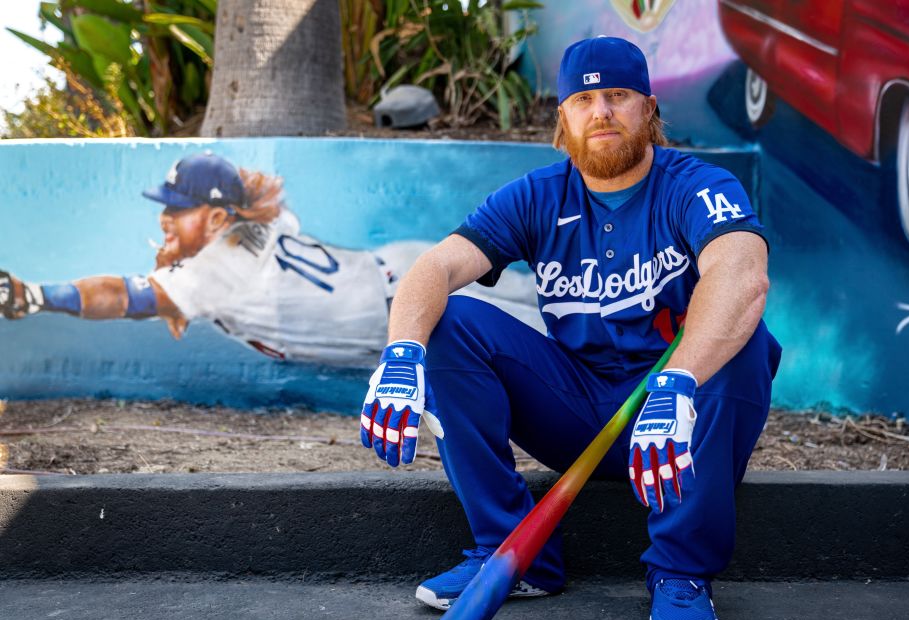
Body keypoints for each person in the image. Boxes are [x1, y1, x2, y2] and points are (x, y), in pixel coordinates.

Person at [360, 36, 782, 620]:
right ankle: (514, 553)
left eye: (617, 96)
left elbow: (742, 273)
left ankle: (682, 573)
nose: (601, 112)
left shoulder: (696, 185)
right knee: (447, 324)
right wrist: (402, 352)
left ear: (648, 109)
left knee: (746, 335)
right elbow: (435, 268)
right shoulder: (538, 195)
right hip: (578, 409)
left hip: (678, 420)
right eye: (584, 99)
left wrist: (679, 380)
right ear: (564, 117)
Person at [0, 152, 542, 367]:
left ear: (216, 218)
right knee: (553, 312)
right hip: (395, 276)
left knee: (556, 329)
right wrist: (175, 283)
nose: (166, 219)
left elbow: (123, 295)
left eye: (179, 209)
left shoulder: (214, 270)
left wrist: (36, 296)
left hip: (408, 302)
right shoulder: (258, 223)